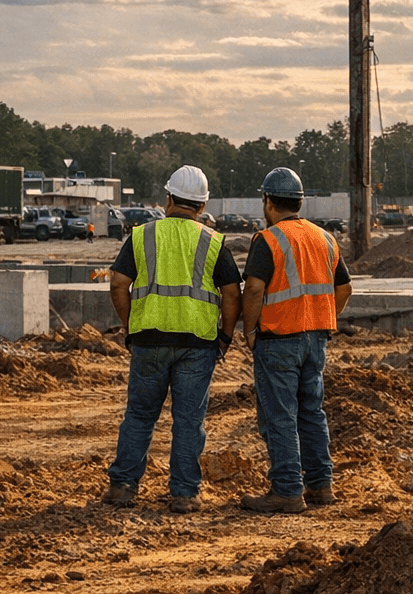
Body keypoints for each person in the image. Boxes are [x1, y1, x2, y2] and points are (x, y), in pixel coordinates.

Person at [102, 165, 241, 514]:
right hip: (197, 344)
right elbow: (231, 294)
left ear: (168, 199)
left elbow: (118, 283)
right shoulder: (213, 242)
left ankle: (122, 488)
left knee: (139, 415)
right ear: (203, 205)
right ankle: (184, 493)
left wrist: (130, 325)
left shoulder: (141, 236)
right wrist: (225, 336)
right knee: (189, 421)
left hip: (148, 339)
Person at [239, 167, 352, 514]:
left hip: (278, 339)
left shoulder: (268, 240)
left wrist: (250, 329)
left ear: (268, 201)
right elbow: (343, 288)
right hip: (315, 339)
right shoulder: (325, 238)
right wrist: (324, 318)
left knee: (280, 415)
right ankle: (321, 485)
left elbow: (255, 288)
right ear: (300, 201)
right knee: (311, 412)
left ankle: (287, 490)